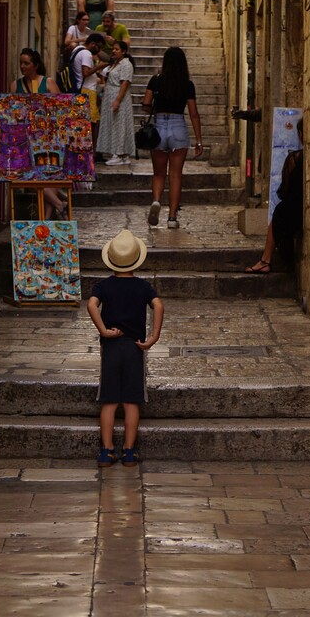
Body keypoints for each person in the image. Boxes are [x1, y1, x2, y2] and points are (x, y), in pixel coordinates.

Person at [87, 228, 164, 468]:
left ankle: (107, 451)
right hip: (134, 348)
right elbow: (158, 306)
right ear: (136, 260)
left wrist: (103, 330)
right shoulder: (143, 287)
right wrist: (153, 336)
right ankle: (129, 451)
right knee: (131, 402)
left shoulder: (103, 286)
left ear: (111, 260)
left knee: (109, 401)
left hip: (111, 347)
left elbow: (91, 305)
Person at [141, 46, 203, 228]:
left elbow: (146, 104)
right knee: (175, 175)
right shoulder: (187, 84)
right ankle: (172, 218)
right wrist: (199, 140)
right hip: (178, 128)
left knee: (159, 173)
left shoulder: (156, 80)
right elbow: (193, 113)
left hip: (159, 127)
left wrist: (150, 107)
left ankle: (156, 201)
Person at [10, 48, 68, 220]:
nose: (23, 66)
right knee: (31, 176)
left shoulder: (48, 83)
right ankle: (59, 205)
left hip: (48, 138)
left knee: (49, 178)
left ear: (35, 65)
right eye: (21, 62)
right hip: (25, 139)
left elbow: (60, 109)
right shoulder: (15, 85)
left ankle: (46, 219)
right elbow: (12, 112)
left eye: (26, 63)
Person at [245, 118, 304, 273]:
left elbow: (285, 190)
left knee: (279, 212)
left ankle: (265, 260)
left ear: (300, 135)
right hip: (302, 208)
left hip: (293, 209)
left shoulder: (295, 158)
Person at [97, 41, 136, 166]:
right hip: (110, 95)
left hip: (119, 97)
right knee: (113, 124)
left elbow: (125, 83)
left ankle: (118, 153)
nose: (114, 51)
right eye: (113, 49)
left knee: (119, 125)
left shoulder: (126, 64)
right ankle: (122, 154)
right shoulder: (114, 64)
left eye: (117, 49)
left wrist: (117, 100)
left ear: (123, 52)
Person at [70, 33, 106, 155]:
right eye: (98, 47)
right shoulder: (86, 53)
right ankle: (92, 151)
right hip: (87, 90)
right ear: (92, 44)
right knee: (93, 123)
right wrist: (99, 66)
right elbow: (86, 73)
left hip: (82, 89)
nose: (99, 50)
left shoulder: (77, 49)